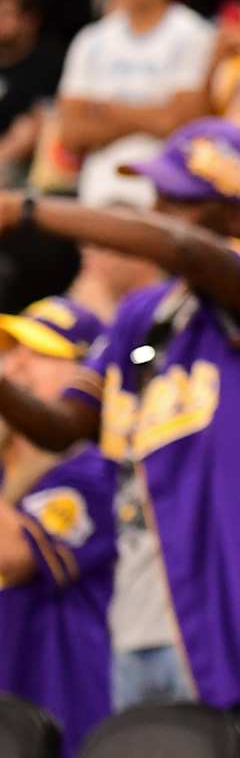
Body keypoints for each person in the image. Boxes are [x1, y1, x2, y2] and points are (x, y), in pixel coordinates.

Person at [0, 120, 240, 756]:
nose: (159, 211)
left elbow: (183, 250)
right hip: (136, 617)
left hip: (231, 608)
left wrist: (27, 208)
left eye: (177, 198)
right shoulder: (139, 316)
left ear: (231, 210)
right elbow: (61, 426)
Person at [0, 297, 113, 756]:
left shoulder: (92, 471)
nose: (15, 366)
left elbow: (13, 555)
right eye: (11, 349)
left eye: (42, 354)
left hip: (59, 707)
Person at [56, 0, 215, 208]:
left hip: (170, 192)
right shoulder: (90, 40)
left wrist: (108, 110)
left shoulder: (194, 34)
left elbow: (184, 124)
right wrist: (151, 115)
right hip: (99, 190)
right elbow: (71, 133)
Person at [0, 0, 66, 186]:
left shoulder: (50, 63)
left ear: (30, 20)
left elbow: (41, 124)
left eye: (6, 13)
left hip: (27, 168)